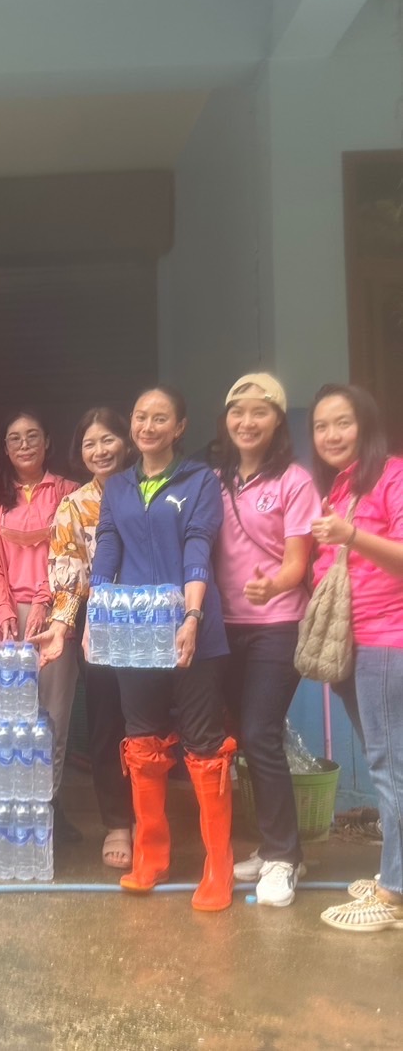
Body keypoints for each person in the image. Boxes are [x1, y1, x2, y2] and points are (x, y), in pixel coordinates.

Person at [90, 386, 235, 912]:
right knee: (142, 740)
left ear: (179, 427)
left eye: (160, 419)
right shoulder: (119, 486)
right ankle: (151, 855)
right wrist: (95, 613)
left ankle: (218, 867)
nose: (147, 426)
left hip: (193, 632)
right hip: (134, 633)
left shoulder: (199, 481)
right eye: (140, 416)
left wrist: (192, 615)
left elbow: (199, 544)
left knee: (203, 745)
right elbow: (108, 547)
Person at [211, 374, 319, 909]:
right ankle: (279, 848)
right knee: (243, 739)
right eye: (238, 412)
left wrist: (271, 583)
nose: (246, 422)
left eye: (259, 412)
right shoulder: (214, 478)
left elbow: (298, 563)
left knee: (260, 733)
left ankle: (282, 858)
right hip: (224, 628)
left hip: (278, 622)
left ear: (277, 420)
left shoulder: (295, 481)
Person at [306, 385, 403, 932]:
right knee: (385, 761)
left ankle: (395, 892)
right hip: (349, 642)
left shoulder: (393, 475)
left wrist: (353, 535)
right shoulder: (341, 486)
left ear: (364, 426)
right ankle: (396, 868)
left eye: (341, 423)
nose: (331, 435)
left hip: (388, 639)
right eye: (321, 426)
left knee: (392, 768)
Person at [33, 407, 136, 869]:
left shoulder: (149, 493)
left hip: (159, 631)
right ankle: (118, 823)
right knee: (107, 728)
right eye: (90, 443)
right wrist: (62, 627)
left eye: (108, 439)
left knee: (152, 729)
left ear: (127, 443)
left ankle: (153, 821)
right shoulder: (74, 505)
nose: (100, 450)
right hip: (103, 635)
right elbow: (68, 574)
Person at [0, 409, 80, 839]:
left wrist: (46, 600)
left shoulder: (70, 492)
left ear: (47, 442)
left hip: (57, 614)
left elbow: (71, 554)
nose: (24, 444)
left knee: (53, 716)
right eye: (15, 438)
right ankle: (9, 812)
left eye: (32, 436)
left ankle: (47, 808)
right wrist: (2, 611)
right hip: (4, 615)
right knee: (6, 718)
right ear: (5, 448)